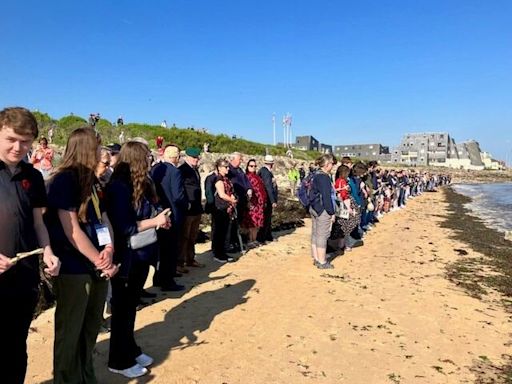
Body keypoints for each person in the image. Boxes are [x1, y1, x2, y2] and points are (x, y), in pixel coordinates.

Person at [45, 127, 118, 383]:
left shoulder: (93, 181)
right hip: (74, 267)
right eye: (97, 146)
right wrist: (100, 259)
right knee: (70, 331)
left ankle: (86, 375)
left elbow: (103, 218)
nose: (102, 153)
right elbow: (72, 229)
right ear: (85, 148)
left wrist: (108, 249)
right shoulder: (65, 179)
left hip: (97, 265)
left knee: (89, 329)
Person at [0, 107, 60, 384]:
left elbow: (38, 223)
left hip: (23, 277)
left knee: (15, 346)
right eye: (11, 139)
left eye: (25, 141)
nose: (18, 147)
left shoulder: (33, 176)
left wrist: (48, 251)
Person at [106, 141, 171, 378]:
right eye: (146, 158)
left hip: (141, 254)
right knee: (122, 310)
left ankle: (130, 349)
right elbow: (125, 226)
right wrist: (155, 222)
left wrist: (160, 218)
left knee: (130, 308)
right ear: (136, 159)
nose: (149, 161)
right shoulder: (119, 187)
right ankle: (118, 360)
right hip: (126, 258)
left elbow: (143, 214)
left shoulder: (139, 184)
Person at [150, 145, 187, 291]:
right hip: (172, 214)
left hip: (158, 213)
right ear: (176, 157)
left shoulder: (155, 169)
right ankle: (168, 281)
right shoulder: (175, 172)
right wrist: (186, 205)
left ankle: (158, 278)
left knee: (160, 249)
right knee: (170, 249)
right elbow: (178, 196)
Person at [178, 147, 204, 272]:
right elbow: (181, 188)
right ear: (187, 157)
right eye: (194, 157)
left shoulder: (195, 170)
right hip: (188, 209)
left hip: (196, 208)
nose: (196, 160)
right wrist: (185, 204)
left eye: (197, 157)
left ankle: (190, 259)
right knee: (184, 237)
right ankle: (180, 262)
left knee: (192, 236)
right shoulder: (182, 170)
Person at [310, 154, 337, 269]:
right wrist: (331, 212)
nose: (333, 166)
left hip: (314, 207)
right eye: (332, 164)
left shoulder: (315, 174)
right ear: (327, 164)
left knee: (315, 233)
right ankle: (322, 261)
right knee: (322, 235)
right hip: (322, 209)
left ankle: (316, 258)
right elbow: (327, 197)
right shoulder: (324, 177)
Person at [212, 158, 237, 263]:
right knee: (219, 232)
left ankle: (222, 252)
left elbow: (229, 190)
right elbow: (221, 194)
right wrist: (231, 199)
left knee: (224, 231)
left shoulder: (226, 179)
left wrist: (232, 197)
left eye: (228, 167)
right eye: (225, 167)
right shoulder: (218, 179)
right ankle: (218, 254)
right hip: (220, 208)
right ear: (219, 168)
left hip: (226, 207)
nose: (228, 169)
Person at [227, 152, 253, 251]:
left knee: (239, 222)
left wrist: (249, 188)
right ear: (233, 159)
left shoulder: (240, 170)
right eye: (239, 159)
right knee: (233, 223)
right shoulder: (229, 170)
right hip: (234, 199)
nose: (241, 161)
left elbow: (246, 181)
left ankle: (236, 241)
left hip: (242, 199)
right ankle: (231, 243)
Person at [241, 159, 267, 247]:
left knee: (257, 223)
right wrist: (248, 202)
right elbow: (246, 191)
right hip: (252, 203)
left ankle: (254, 239)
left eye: (255, 166)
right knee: (251, 222)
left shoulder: (257, 177)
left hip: (259, 203)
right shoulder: (246, 177)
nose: (253, 168)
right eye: (251, 166)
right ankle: (250, 240)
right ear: (247, 167)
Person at [257, 155, 278, 243]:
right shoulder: (265, 172)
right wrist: (272, 200)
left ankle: (268, 236)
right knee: (266, 218)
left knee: (267, 219)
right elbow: (268, 186)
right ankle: (263, 237)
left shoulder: (265, 171)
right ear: (271, 164)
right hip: (267, 199)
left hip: (266, 198)